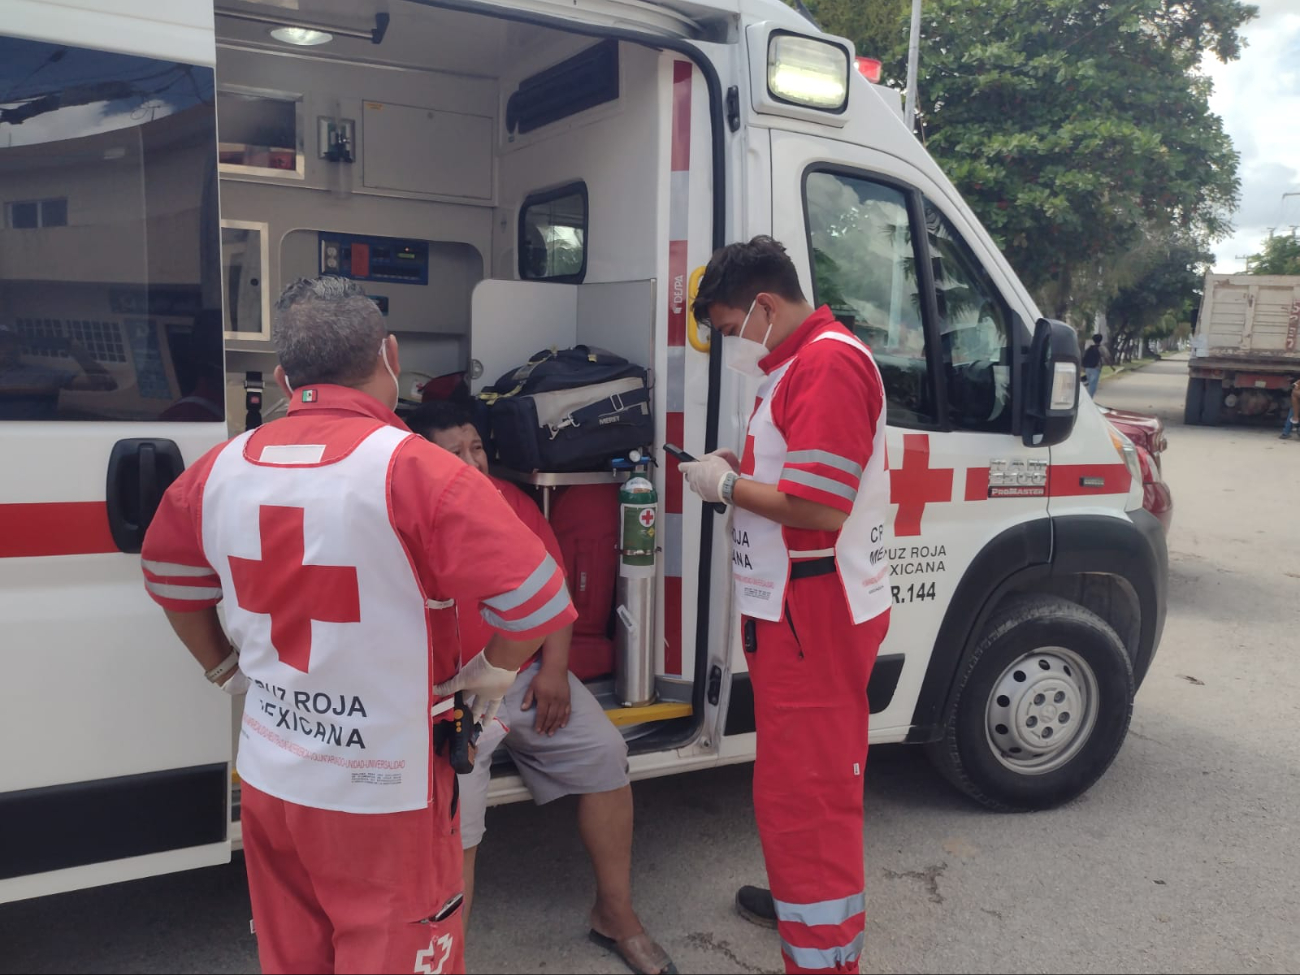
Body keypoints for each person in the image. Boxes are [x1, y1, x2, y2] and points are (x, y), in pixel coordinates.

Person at [140, 276, 576, 975]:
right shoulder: (418, 471)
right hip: (387, 790)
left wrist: (225, 669)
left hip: (274, 778)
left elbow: (168, 581)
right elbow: (538, 597)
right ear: (391, 355)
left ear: (284, 377)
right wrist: (490, 673)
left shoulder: (218, 470)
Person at [678, 237, 890, 975]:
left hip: (816, 614)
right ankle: (803, 899)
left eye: (732, 328)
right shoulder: (795, 364)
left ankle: (825, 956)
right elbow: (792, 471)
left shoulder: (828, 363)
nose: (732, 343)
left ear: (765, 306)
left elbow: (818, 507)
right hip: (795, 612)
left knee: (812, 798)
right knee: (796, 786)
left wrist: (726, 488)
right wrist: (738, 468)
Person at [405, 400, 676, 975]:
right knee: (459, 825)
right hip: (450, 698)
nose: (472, 461)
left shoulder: (513, 504)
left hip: (527, 677)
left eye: (476, 446)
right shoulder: (405, 517)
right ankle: (449, 960)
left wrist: (554, 669)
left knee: (604, 755)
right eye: (454, 452)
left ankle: (615, 913)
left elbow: (552, 594)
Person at [1082, 333, 1109, 399]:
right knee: (1093, 384)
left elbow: (1084, 356)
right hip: (1096, 368)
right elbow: (1107, 357)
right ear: (1101, 340)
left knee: (1089, 382)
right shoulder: (1102, 348)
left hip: (1088, 367)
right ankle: (1089, 398)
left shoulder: (1089, 348)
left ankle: (1087, 397)